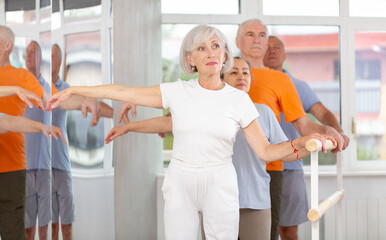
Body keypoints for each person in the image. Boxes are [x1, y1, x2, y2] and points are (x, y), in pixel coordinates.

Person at [48, 25, 335, 240]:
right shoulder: (177, 91)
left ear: (224, 55)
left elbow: (267, 151)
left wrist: (303, 142)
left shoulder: (238, 100)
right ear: (190, 58)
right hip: (181, 179)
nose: (210, 52)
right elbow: (123, 91)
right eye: (201, 48)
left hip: (221, 179)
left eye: (215, 46)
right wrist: (74, 89)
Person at [235, 19, 347, 240]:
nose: (256, 39)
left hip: (269, 169)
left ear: (266, 43)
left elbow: (303, 124)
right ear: (238, 41)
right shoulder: (224, 76)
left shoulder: (281, 80)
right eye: (250, 34)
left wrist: (329, 131)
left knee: (267, 233)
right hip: (227, 168)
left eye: (261, 35)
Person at [0, 25, 99, 240]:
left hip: (12, 168)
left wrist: (85, 99)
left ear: (7, 46)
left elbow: (52, 99)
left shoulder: (20, 77)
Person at [263, 35, 350, 240]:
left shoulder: (298, 85)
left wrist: (338, 132)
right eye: (267, 47)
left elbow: (322, 113)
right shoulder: (248, 80)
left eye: (277, 47)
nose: (272, 51)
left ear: (284, 55)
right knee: (263, 230)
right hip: (260, 165)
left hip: (291, 168)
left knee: (289, 230)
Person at [24, 40, 52, 240]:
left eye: (32, 52)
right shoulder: (19, 88)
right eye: (26, 52)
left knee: (43, 226)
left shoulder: (48, 90)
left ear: (40, 58)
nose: (27, 55)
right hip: (23, 166)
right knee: (27, 227)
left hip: (44, 167)